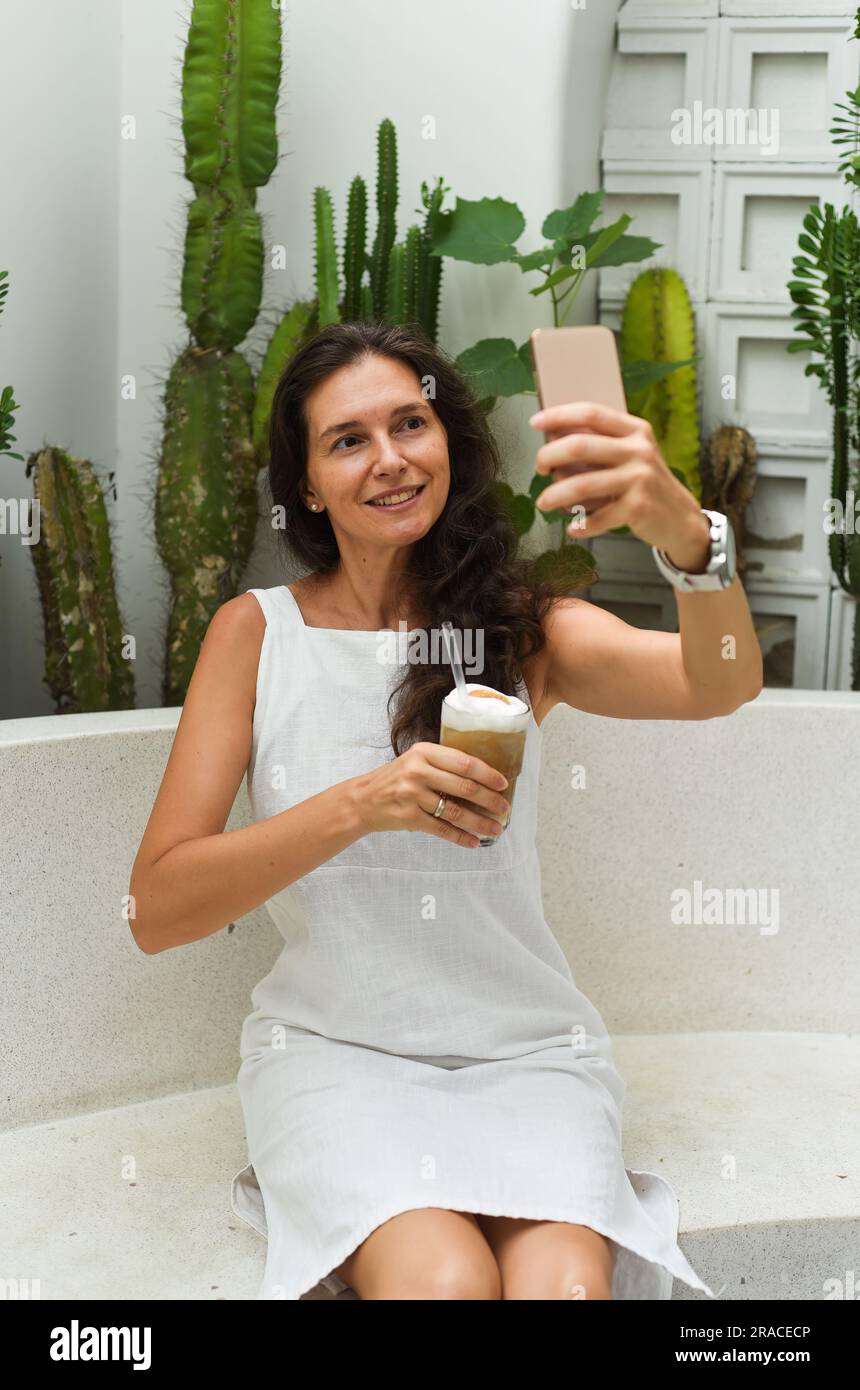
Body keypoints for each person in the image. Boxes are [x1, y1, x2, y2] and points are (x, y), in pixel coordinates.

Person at [128, 320, 762, 1300]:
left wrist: (690, 534)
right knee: (446, 1284)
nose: (389, 459)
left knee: (563, 1291)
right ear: (305, 483)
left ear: (447, 444)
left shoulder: (522, 627)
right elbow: (158, 909)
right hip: (336, 1055)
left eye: (409, 424)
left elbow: (716, 683)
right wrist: (359, 805)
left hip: (527, 1051)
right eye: (347, 440)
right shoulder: (257, 636)